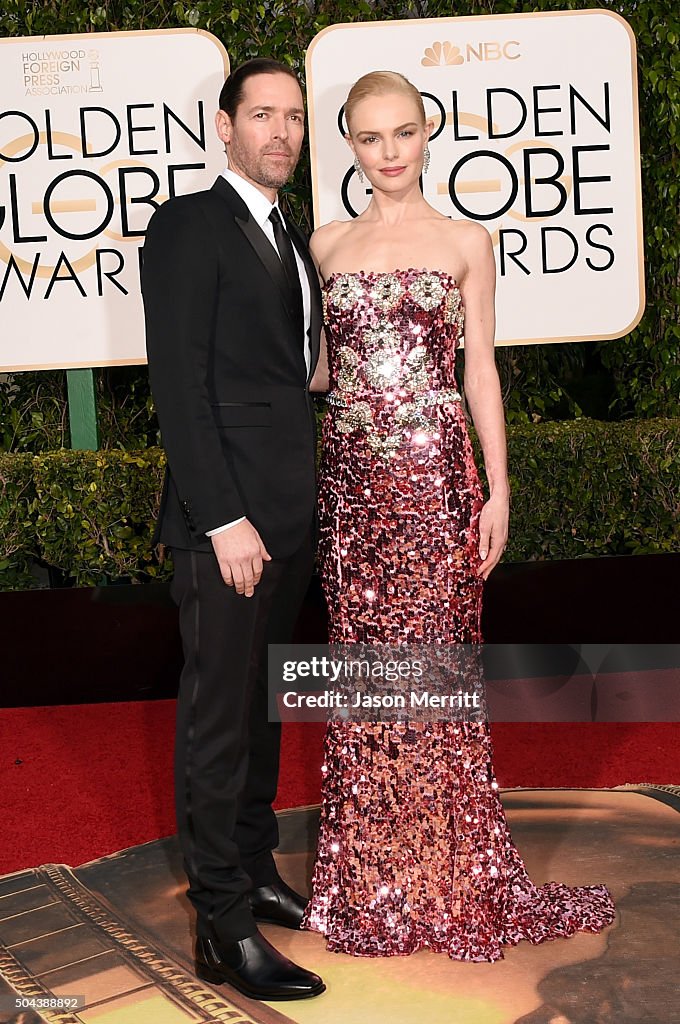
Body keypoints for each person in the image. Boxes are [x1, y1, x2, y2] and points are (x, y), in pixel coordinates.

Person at [302, 71, 616, 960]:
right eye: (371, 138)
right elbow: (323, 370)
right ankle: (372, 881)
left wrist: (500, 489)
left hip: (438, 481)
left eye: (404, 132)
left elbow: (480, 371)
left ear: (429, 131)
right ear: (350, 146)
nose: (390, 152)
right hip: (354, 486)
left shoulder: (468, 241)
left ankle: (448, 874)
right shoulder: (325, 246)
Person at [142, 59, 325, 1000]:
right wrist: (223, 519)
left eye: (293, 117)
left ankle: (253, 871)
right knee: (218, 718)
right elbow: (181, 384)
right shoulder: (188, 225)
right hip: (231, 528)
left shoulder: (287, 236)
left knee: (260, 710)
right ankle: (219, 925)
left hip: (289, 518)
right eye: (262, 115)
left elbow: (288, 377)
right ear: (224, 125)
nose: (280, 132)